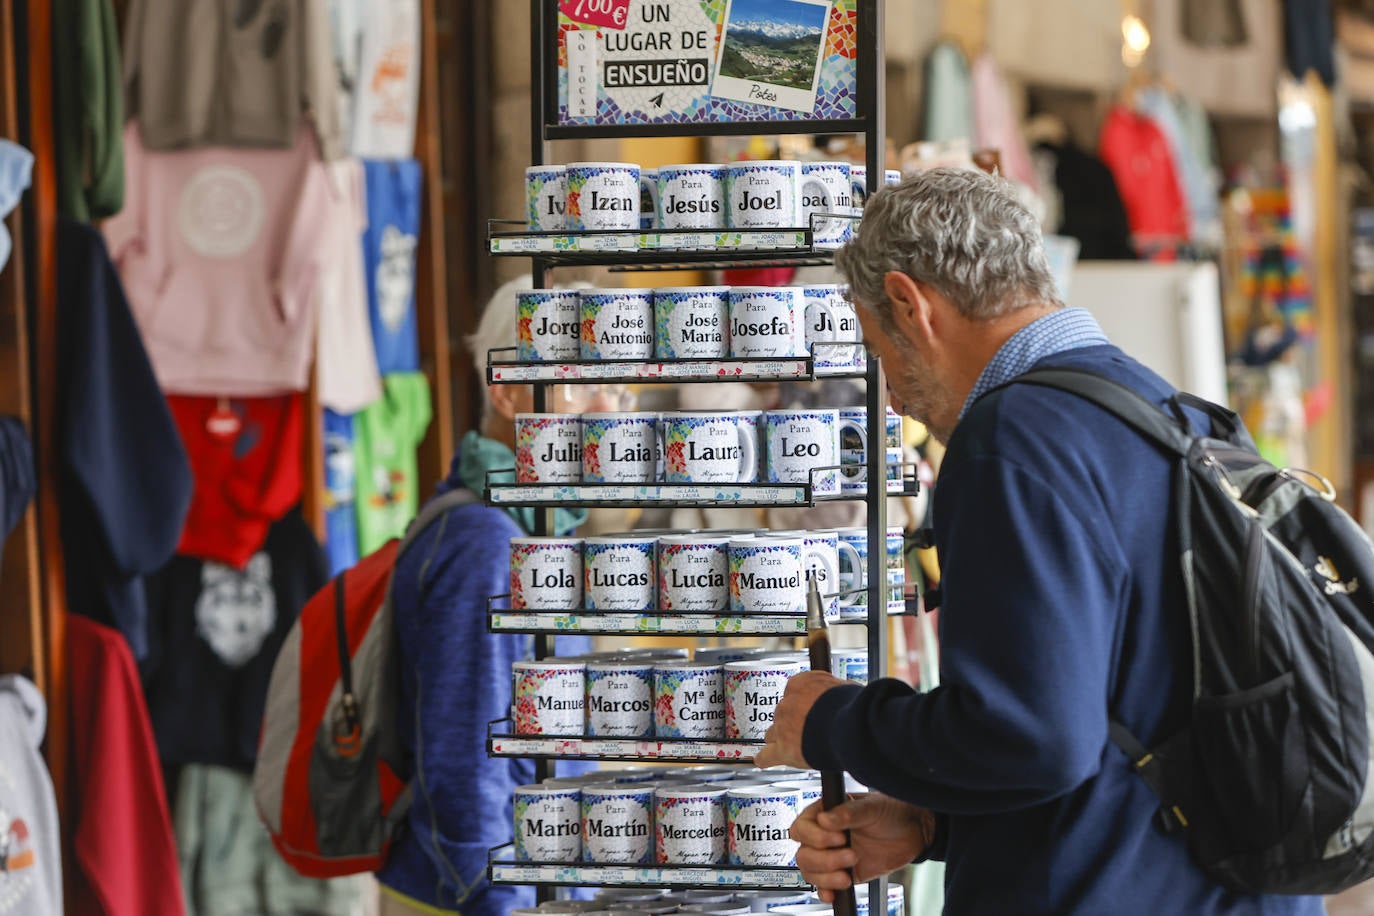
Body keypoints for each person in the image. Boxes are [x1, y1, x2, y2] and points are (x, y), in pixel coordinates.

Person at [755, 168, 1321, 915]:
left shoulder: (1011, 441)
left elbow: (1031, 738)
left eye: (877, 350)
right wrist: (932, 825)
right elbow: (1125, 718)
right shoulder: (1164, 408)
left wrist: (834, 722)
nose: (890, 393)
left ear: (908, 303)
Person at [374, 277, 624, 915]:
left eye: (619, 384)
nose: (611, 411)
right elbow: (464, 775)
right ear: (511, 392)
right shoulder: (486, 544)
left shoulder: (535, 535)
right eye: (586, 381)